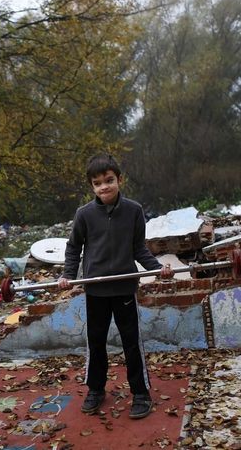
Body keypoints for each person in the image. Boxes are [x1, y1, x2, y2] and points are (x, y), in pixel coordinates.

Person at [58, 153, 173, 419]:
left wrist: (157, 269)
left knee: (131, 343)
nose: (104, 187)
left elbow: (139, 249)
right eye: (97, 183)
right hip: (95, 290)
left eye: (109, 180)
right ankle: (96, 389)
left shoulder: (133, 210)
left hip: (124, 289)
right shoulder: (84, 214)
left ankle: (141, 393)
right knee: (96, 343)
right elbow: (73, 247)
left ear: (119, 179)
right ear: (92, 187)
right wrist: (67, 274)